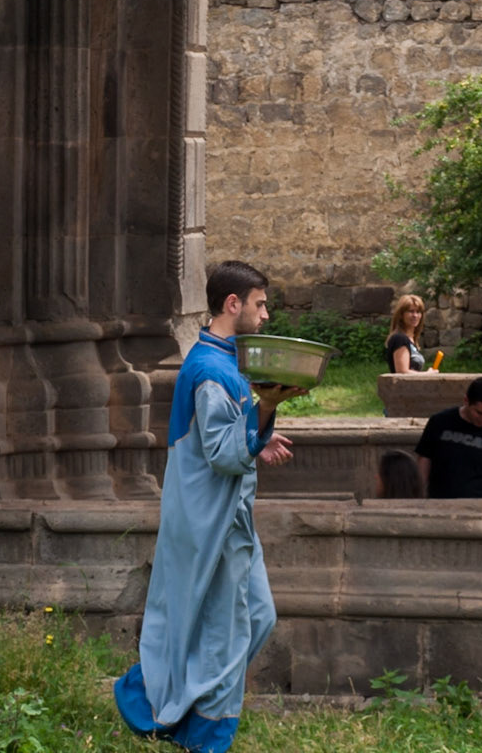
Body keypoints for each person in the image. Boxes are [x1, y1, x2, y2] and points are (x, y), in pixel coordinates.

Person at [114, 260, 293, 750]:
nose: (266, 315)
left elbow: (224, 437)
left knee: (256, 618)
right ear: (233, 304)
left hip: (228, 517)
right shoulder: (211, 369)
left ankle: (157, 699)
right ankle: (200, 735)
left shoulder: (223, 362)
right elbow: (221, 454)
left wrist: (259, 435)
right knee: (225, 634)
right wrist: (267, 408)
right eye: (260, 305)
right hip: (208, 520)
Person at [414, 376, 482, 499]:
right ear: (466, 401)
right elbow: (423, 466)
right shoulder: (439, 423)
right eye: (480, 413)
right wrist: (416, 499)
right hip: (441, 503)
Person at [385, 293, 427, 373]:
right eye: (411, 311)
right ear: (401, 315)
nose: (415, 315)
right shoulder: (400, 339)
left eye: (418, 312)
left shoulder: (411, 339)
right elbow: (402, 372)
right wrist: (427, 374)